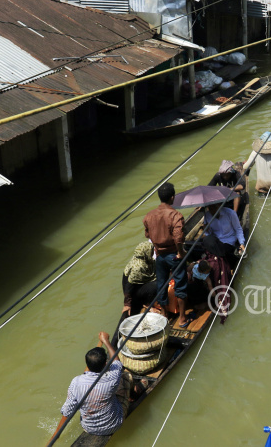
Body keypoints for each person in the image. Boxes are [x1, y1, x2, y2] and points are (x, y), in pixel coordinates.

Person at [56, 331, 133, 437]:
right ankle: (134, 395)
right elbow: (117, 362)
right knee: (126, 376)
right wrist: (106, 341)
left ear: (86, 362)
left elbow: (67, 411)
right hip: (114, 424)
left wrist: (56, 433)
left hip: (89, 428)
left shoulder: (76, 382)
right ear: (106, 364)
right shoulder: (112, 377)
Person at [143, 182, 187, 327]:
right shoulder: (175, 215)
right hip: (173, 254)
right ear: (172, 197)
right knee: (180, 284)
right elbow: (178, 238)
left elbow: (147, 234)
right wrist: (181, 253)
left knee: (161, 284)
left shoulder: (149, 215)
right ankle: (182, 318)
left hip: (160, 255)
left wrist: (157, 247)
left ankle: (164, 313)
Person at [202, 202, 246, 270]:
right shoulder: (207, 215)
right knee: (206, 240)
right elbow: (209, 234)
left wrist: (242, 243)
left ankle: (218, 258)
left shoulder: (230, 213)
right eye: (210, 208)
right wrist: (206, 230)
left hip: (229, 242)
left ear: (219, 205)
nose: (212, 211)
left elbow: (238, 229)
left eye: (214, 208)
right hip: (217, 241)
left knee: (219, 251)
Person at [121, 241, 156, 316]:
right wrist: (127, 304)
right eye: (152, 250)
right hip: (135, 291)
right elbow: (129, 285)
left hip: (139, 286)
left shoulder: (143, 258)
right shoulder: (138, 267)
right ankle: (146, 303)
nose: (154, 252)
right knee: (156, 285)